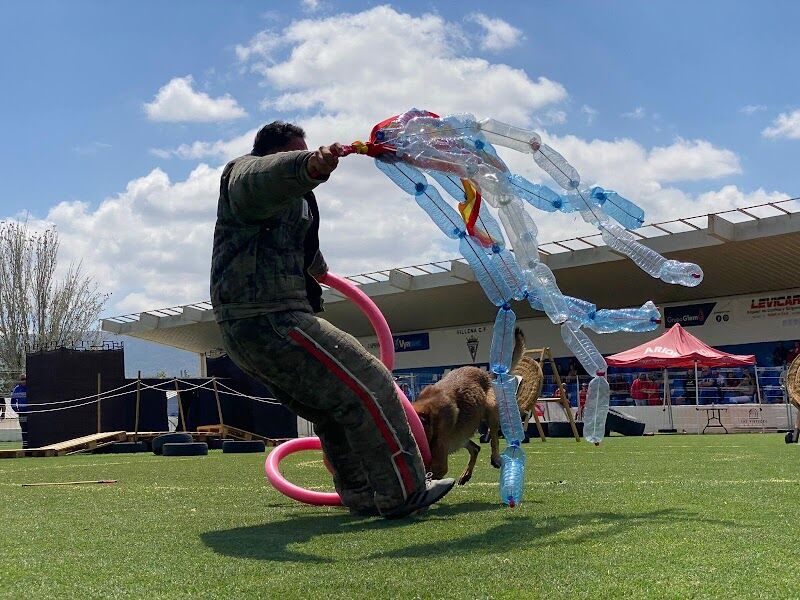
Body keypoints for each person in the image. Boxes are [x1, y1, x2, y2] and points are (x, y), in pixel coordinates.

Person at [210, 121, 454, 519]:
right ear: (274, 152)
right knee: (372, 382)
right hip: (273, 318)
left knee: (332, 407)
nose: (305, 157)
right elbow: (262, 177)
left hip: (248, 328)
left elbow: (297, 241)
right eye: (295, 151)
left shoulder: (293, 201)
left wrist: (318, 268)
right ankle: (404, 490)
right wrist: (307, 164)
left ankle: (362, 494)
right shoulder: (244, 175)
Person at [11, 374, 28, 448]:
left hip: (31, 413)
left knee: (33, 429)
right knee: (24, 430)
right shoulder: (17, 389)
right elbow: (13, 402)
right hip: (22, 413)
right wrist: (17, 411)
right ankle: (25, 446)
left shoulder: (31, 387)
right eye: (22, 379)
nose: (24, 381)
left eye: (25, 379)